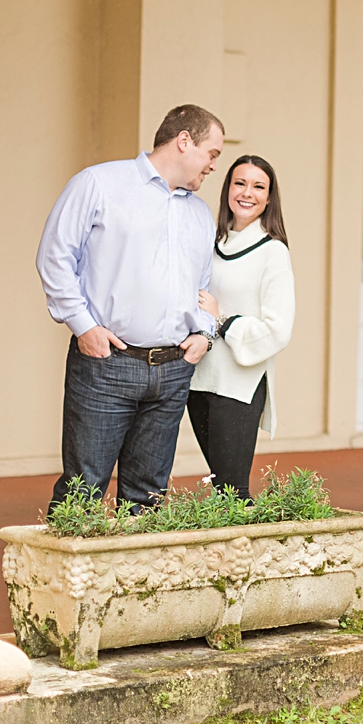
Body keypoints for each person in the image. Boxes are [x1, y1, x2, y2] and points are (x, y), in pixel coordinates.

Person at [36, 104, 224, 513]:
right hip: (107, 365)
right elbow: (55, 258)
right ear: (184, 140)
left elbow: (202, 285)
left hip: (173, 371)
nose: (214, 165)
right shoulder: (99, 184)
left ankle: (132, 580)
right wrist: (84, 326)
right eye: (212, 153)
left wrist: (204, 335)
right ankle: (67, 580)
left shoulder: (199, 214)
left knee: (148, 500)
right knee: (82, 492)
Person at [189, 155, 294, 498]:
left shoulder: (272, 252)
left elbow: (278, 329)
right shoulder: (213, 241)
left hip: (238, 385)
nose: (247, 193)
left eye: (258, 186)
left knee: (233, 491)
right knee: (221, 489)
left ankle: (242, 552)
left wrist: (223, 322)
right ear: (228, 189)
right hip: (200, 379)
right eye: (240, 183)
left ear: (269, 196)